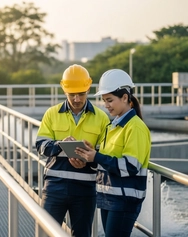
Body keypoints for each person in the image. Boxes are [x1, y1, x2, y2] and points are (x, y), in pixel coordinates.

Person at [35, 64, 110, 237]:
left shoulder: (102, 118)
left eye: (81, 94)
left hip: (86, 189)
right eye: (72, 94)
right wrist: (60, 145)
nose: (76, 99)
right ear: (64, 89)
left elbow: (106, 154)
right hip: (55, 186)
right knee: (45, 232)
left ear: (88, 89)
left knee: (82, 234)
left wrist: (90, 157)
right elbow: (40, 145)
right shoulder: (51, 114)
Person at [75, 69, 151, 237]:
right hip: (109, 198)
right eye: (103, 100)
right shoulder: (113, 126)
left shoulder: (135, 127)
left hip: (124, 201)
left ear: (125, 97)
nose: (106, 105)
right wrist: (91, 154)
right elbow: (107, 160)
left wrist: (97, 156)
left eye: (109, 100)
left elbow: (130, 166)